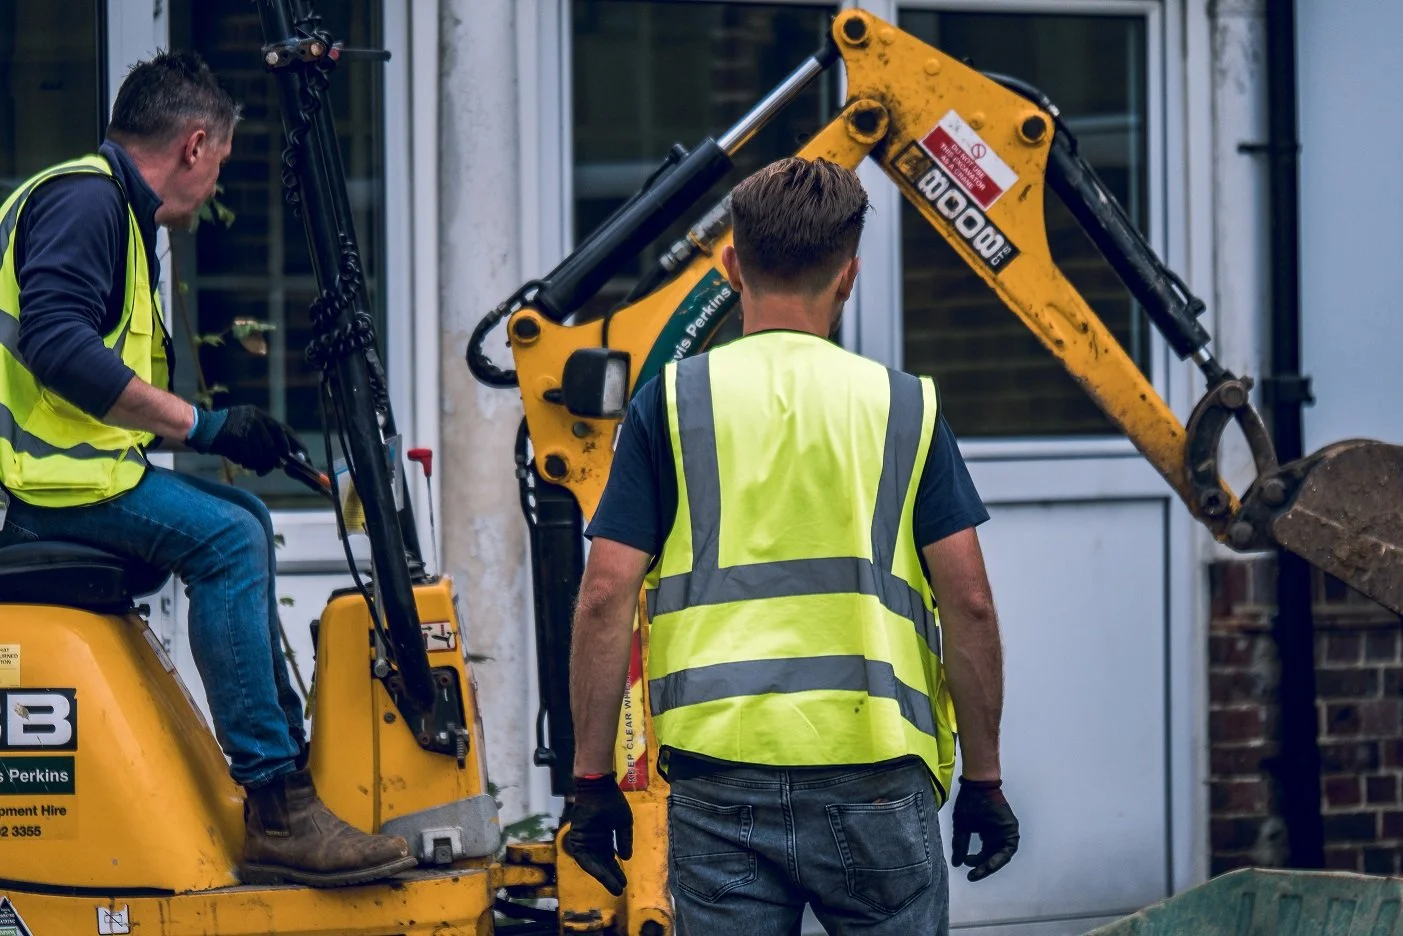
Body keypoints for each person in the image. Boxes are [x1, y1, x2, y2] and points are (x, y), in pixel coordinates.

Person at [563, 157, 1019, 933]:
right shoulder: (902, 407)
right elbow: (968, 603)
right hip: (873, 773)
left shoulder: (670, 403)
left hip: (719, 780)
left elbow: (604, 595)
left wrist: (590, 779)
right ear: (847, 276)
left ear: (731, 265)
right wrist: (983, 777)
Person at [0, 51, 414, 887]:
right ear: (194, 145)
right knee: (227, 537)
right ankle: (277, 803)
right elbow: (57, 346)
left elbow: (96, 381)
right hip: (54, 488)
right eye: (219, 162)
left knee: (249, 521)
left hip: (79, 474)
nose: (215, 183)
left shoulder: (107, 206)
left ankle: (286, 776)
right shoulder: (88, 203)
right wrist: (206, 423)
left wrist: (215, 435)